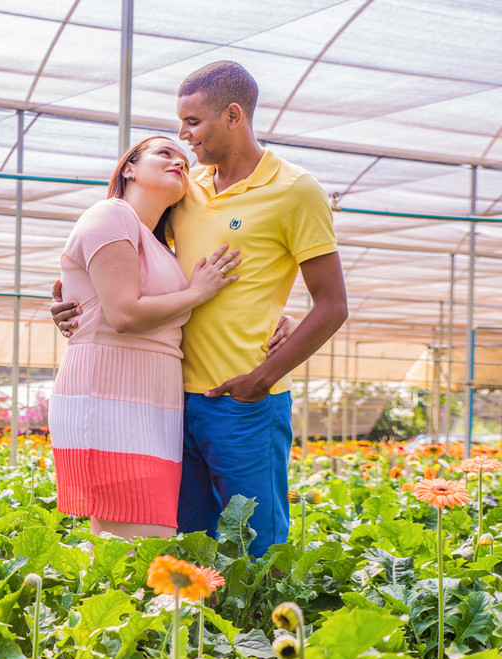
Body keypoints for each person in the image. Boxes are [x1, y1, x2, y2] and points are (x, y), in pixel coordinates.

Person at [52, 61, 347, 557]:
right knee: (185, 545)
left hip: (244, 399)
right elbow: (126, 262)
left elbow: (333, 304)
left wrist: (260, 378)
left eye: (192, 122)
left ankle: (264, 635)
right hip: (168, 402)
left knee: (257, 543)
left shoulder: (297, 190)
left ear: (233, 115)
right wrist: (67, 301)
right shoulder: (184, 191)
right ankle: (194, 636)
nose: (184, 136)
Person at [50, 136, 241, 540]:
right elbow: (123, 314)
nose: (179, 163)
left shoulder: (160, 246)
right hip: (109, 393)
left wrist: (283, 319)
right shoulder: (111, 214)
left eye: (186, 163)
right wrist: (197, 292)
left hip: (150, 399)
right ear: (129, 168)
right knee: (140, 543)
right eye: (164, 153)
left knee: (124, 547)